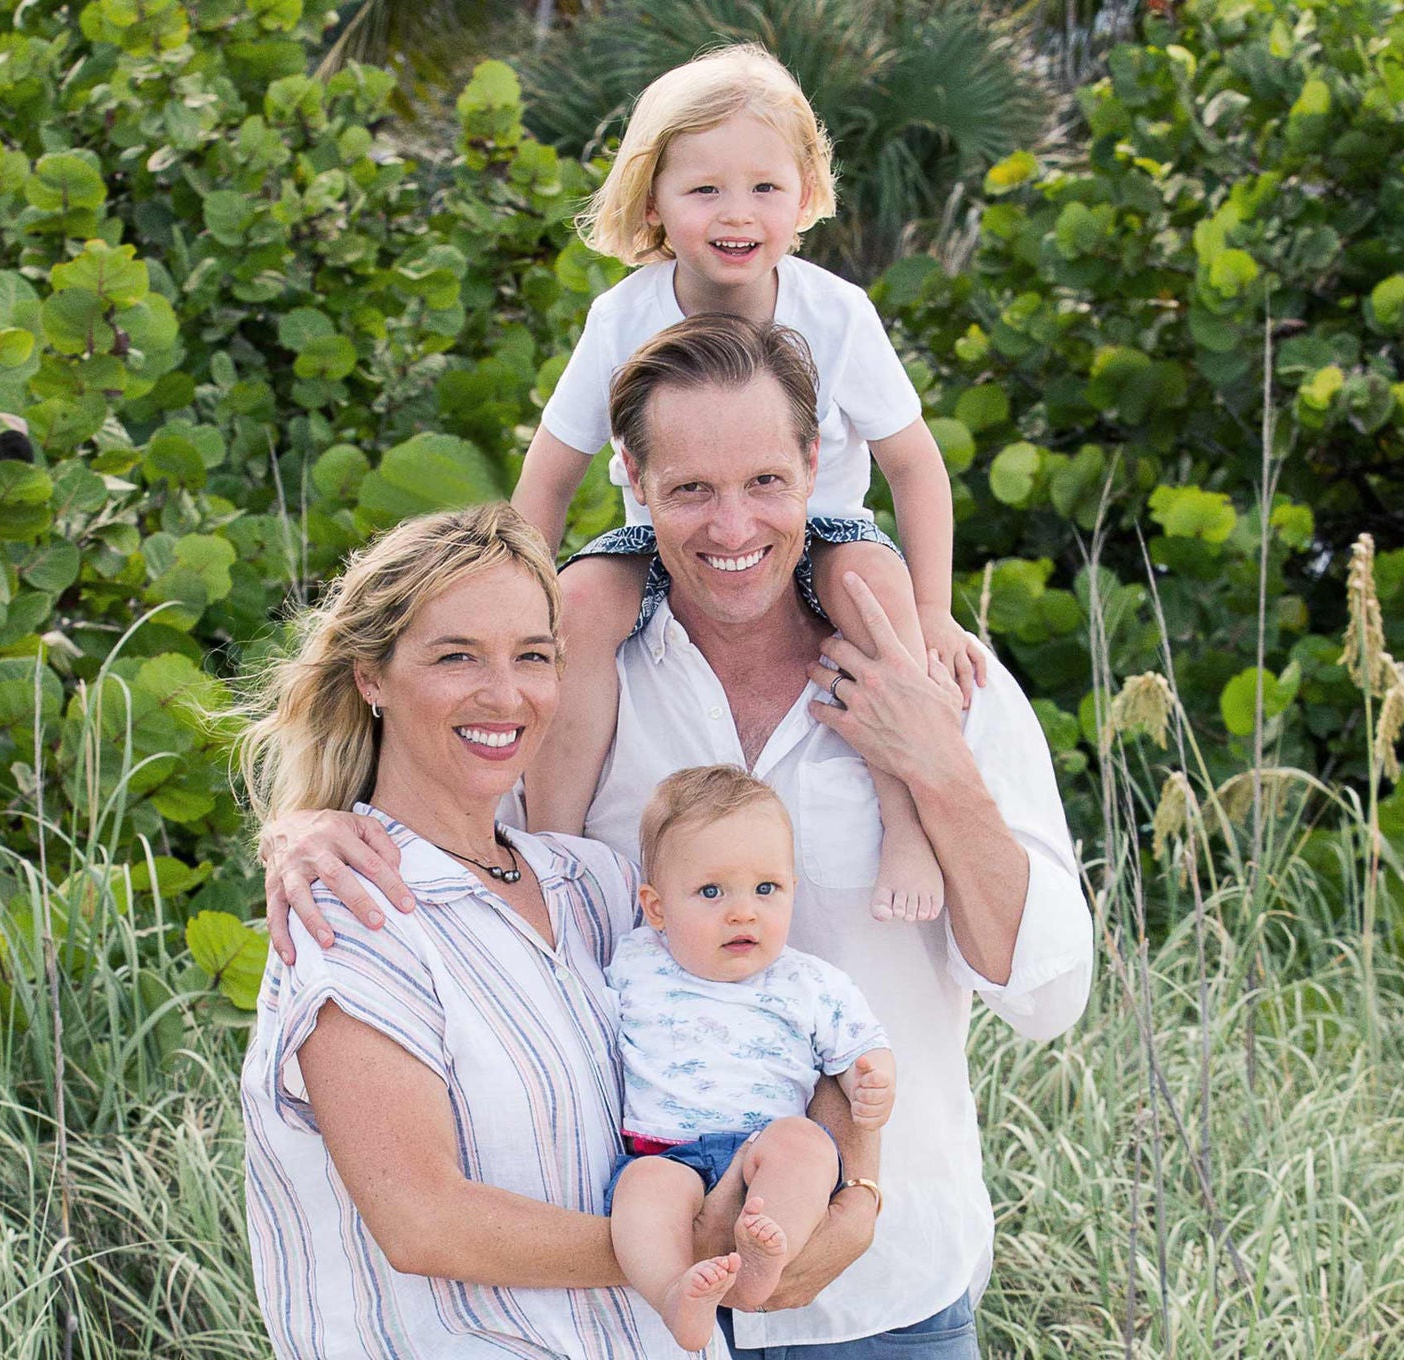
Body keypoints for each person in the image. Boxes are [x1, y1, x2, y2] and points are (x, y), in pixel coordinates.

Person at [261, 315, 1096, 1357]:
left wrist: (932, 760)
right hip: (617, 1309)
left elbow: (1048, 996)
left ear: (812, 467)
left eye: (761, 481)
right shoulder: (572, 675)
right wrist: (305, 820)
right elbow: (451, 815)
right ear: (632, 481)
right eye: (689, 488)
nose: (731, 524)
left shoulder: (934, 675)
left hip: (881, 1302)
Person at [234, 503, 866, 1358]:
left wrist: (853, 1187)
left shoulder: (596, 885)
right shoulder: (350, 913)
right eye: (456, 656)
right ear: (370, 677)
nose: (506, 694)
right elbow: (424, 1223)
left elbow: (782, 1011)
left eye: (532, 656)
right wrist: (691, 1246)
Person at [510, 43, 988, 924]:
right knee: (578, 603)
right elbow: (548, 477)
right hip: (667, 537)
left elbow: (915, 466)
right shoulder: (623, 314)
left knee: (871, 588)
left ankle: (905, 820)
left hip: (820, 527)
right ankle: (556, 844)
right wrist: (522, 605)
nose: (738, 214)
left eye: (765, 188)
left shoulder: (837, 312)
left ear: (805, 194)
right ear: (652, 201)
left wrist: (934, 614)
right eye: (705, 191)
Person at [606, 765, 896, 1351]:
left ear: (792, 888)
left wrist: (874, 1078)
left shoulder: (809, 981)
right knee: (641, 1193)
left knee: (808, 1146)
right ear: (657, 909)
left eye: (767, 889)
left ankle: (767, 1258)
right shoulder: (633, 963)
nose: (744, 912)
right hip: (665, 1150)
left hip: (765, 1148)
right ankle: (673, 1293)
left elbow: (860, 1047)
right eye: (712, 892)